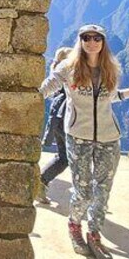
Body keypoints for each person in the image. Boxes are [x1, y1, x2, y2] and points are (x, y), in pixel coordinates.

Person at [38, 24, 129, 259]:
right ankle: (75, 225)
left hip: (109, 138)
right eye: (86, 37)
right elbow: (50, 86)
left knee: (102, 192)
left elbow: (111, 98)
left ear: (103, 42)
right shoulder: (69, 67)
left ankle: (94, 234)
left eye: (97, 38)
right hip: (79, 136)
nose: (92, 42)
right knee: (83, 191)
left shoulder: (111, 69)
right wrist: (31, 94)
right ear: (81, 41)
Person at [37, 47, 72, 205]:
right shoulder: (67, 75)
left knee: (64, 156)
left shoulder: (56, 72)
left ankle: (41, 182)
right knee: (67, 157)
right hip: (66, 119)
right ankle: (41, 181)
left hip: (58, 118)